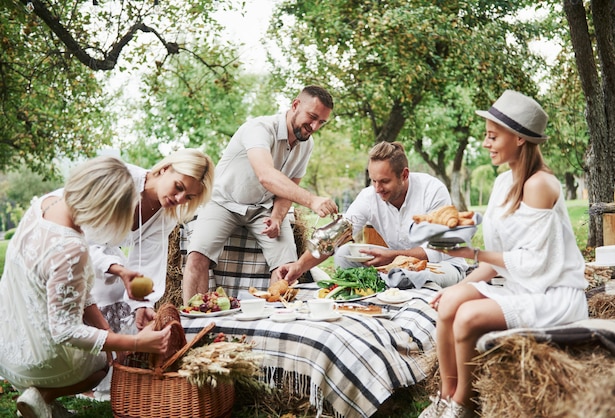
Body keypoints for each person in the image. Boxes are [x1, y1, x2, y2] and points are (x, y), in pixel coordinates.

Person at [419, 90, 589, 418]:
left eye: (493, 136)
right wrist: (459, 284)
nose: (486, 143)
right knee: (449, 303)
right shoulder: (501, 184)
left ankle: (463, 403)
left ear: (520, 139)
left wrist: (473, 252)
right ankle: (444, 394)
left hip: (552, 292)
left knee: (467, 317)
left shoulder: (540, 184)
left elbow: (535, 263)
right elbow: (500, 257)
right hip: (520, 282)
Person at [0, 156, 173, 418]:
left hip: (7, 347)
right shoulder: (72, 247)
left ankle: (43, 405)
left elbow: (74, 290)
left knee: (106, 347)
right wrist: (136, 342)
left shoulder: (45, 206)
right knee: (102, 366)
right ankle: (45, 395)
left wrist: (105, 329)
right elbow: (65, 331)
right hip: (35, 362)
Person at [182, 85, 338, 304]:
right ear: (295, 105)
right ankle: (193, 322)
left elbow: (288, 189)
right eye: (312, 117)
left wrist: (277, 217)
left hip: (264, 207)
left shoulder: (306, 144)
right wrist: (311, 200)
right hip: (224, 202)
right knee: (197, 256)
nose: (314, 126)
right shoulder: (259, 128)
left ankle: (277, 320)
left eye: (321, 122)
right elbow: (266, 175)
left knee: (286, 267)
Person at [87, 148, 214, 400]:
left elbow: (148, 261)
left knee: (123, 299)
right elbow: (80, 241)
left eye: (188, 197)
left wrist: (140, 305)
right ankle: (81, 371)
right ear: (165, 168)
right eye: (178, 187)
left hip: (103, 255)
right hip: (70, 246)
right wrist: (118, 269)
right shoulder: (122, 183)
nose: (179, 199)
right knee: (104, 289)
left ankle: (103, 375)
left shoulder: (166, 214)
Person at [276, 141, 468, 287]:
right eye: (373, 180)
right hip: (395, 266)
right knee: (343, 253)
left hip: (443, 266)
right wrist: (298, 267)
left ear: (404, 175)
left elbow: (437, 250)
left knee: (411, 276)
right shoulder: (369, 195)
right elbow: (334, 237)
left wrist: (393, 257)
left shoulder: (432, 190)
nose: (377, 188)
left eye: (384, 181)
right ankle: (382, 285)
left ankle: (386, 285)